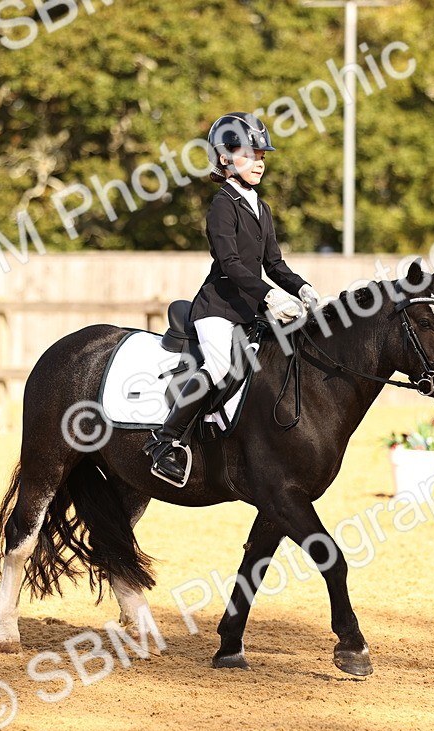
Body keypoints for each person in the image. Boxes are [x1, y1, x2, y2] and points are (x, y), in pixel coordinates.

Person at [144, 112, 321, 487]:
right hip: (218, 309)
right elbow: (231, 264)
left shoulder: (262, 206)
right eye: (250, 153)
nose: (259, 161)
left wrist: (302, 288)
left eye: (262, 155)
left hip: (249, 308)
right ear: (224, 157)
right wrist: (270, 296)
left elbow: (274, 263)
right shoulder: (222, 204)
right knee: (221, 366)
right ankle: (166, 441)